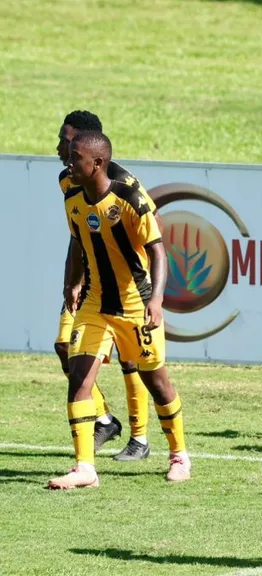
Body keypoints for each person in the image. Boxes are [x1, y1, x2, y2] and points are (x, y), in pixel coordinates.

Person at [48, 132, 190, 489]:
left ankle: (179, 455)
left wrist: (156, 300)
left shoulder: (130, 199)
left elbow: (158, 251)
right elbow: (78, 241)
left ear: (97, 163)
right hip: (95, 304)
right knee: (80, 379)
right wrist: (72, 282)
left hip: (135, 306)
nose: (69, 161)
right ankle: (85, 468)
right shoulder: (71, 195)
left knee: (156, 383)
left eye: (75, 156)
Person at [55, 110, 152, 461]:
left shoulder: (124, 186)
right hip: (90, 283)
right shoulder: (68, 180)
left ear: (86, 146)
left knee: (133, 361)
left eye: (65, 142)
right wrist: (73, 280)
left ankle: (140, 438)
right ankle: (105, 419)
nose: (58, 148)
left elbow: (149, 239)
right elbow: (78, 232)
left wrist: (150, 295)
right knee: (65, 346)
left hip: (127, 287)